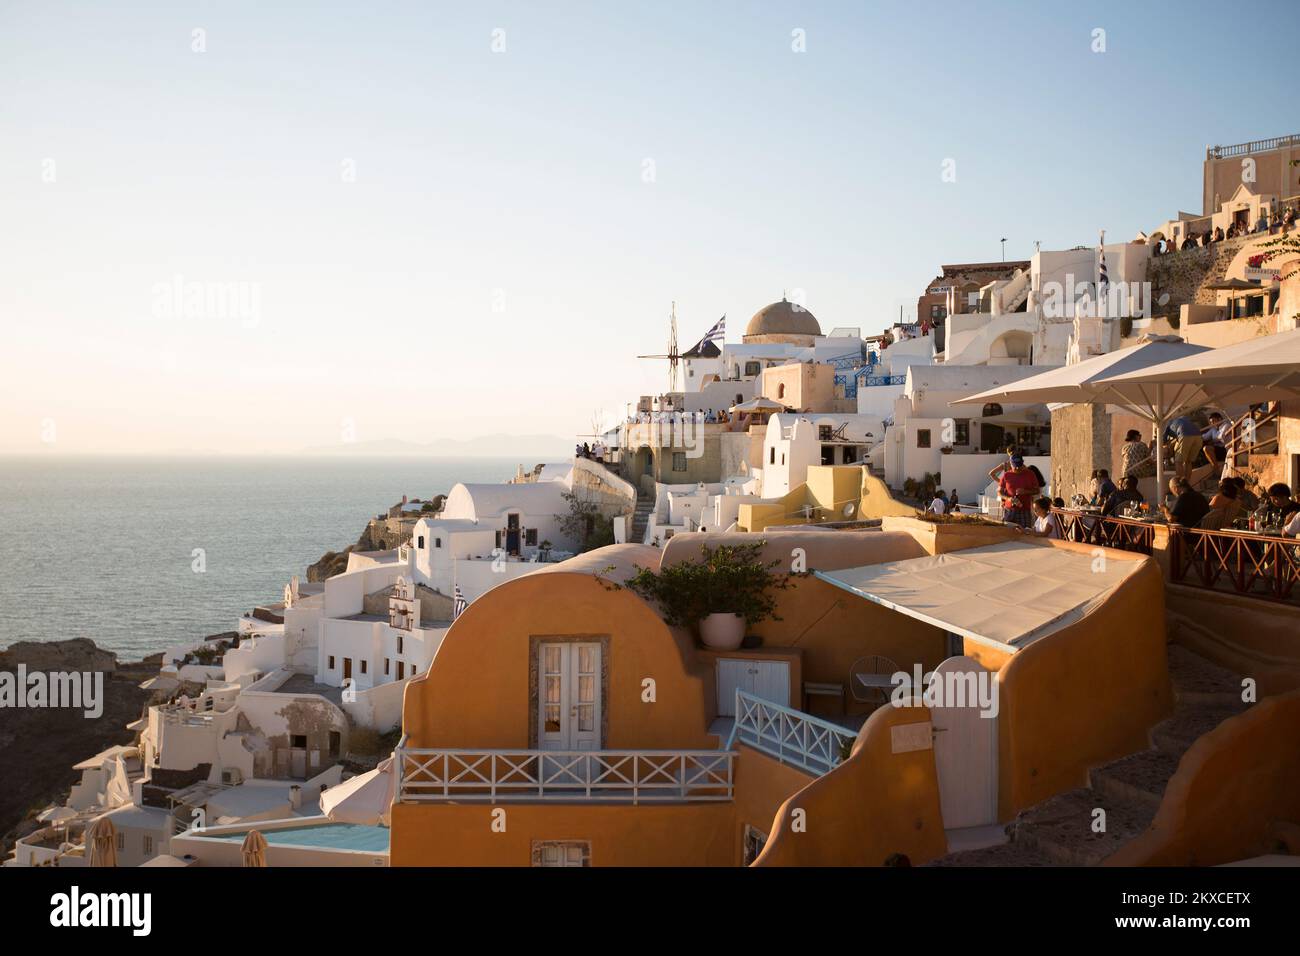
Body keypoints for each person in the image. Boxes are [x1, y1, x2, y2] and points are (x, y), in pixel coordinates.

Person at [991, 454, 1038, 528]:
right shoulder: (1006, 475)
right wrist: (1009, 499)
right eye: (1015, 466)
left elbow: (1037, 490)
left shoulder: (1030, 474)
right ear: (1010, 464)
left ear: (1023, 463)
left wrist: (1025, 492)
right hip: (1009, 510)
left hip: (1024, 510)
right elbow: (999, 492)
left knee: (1025, 533)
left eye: (1019, 465)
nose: (1017, 468)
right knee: (1007, 533)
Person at [1163, 415, 1203, 481]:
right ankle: (1187, 483)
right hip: (1198, 436)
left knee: (1178, 462)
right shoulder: (1181, 419)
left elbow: (1163, 441)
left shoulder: (1167, 424)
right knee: (1188, 461)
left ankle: (1180, 484)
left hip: (1185, 435)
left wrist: (1167, 450)